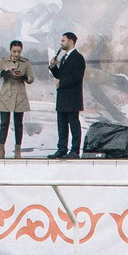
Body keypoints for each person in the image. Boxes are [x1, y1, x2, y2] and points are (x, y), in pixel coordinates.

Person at [49, 31, 87, 159]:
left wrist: (61, 82)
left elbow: (76, 78)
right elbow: (60, 75)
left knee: (74, 124)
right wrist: (53, 67)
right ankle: (62, 148)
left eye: (63, 41)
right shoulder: (64, 58)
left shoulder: (78, 58)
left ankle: (75, 150)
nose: (61, 43)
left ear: (71, 41)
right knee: (62, 125)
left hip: (72, 98)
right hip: (62, 97)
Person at [0, 40, 33, 158]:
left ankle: (18, 150)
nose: (16, 54)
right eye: (14, 51)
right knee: (4, 123)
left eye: (18, 51)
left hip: (20, 95)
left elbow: (31, 79)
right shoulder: (3, 60)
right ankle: (1, 150)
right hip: (6, 95)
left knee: (18, 124)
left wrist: (23, 76)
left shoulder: (25, 62)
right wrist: (5, 71)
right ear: (10, 50)